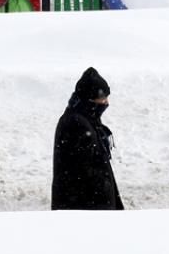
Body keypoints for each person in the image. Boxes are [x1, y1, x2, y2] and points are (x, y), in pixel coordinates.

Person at [51, 67, 124, 211]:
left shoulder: (87, 120)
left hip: (89, 207)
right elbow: (81, 172)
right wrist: (104, 195)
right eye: (103, 98)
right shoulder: (76, 123)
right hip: (85, 209)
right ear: (90, 98)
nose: (106, 102)